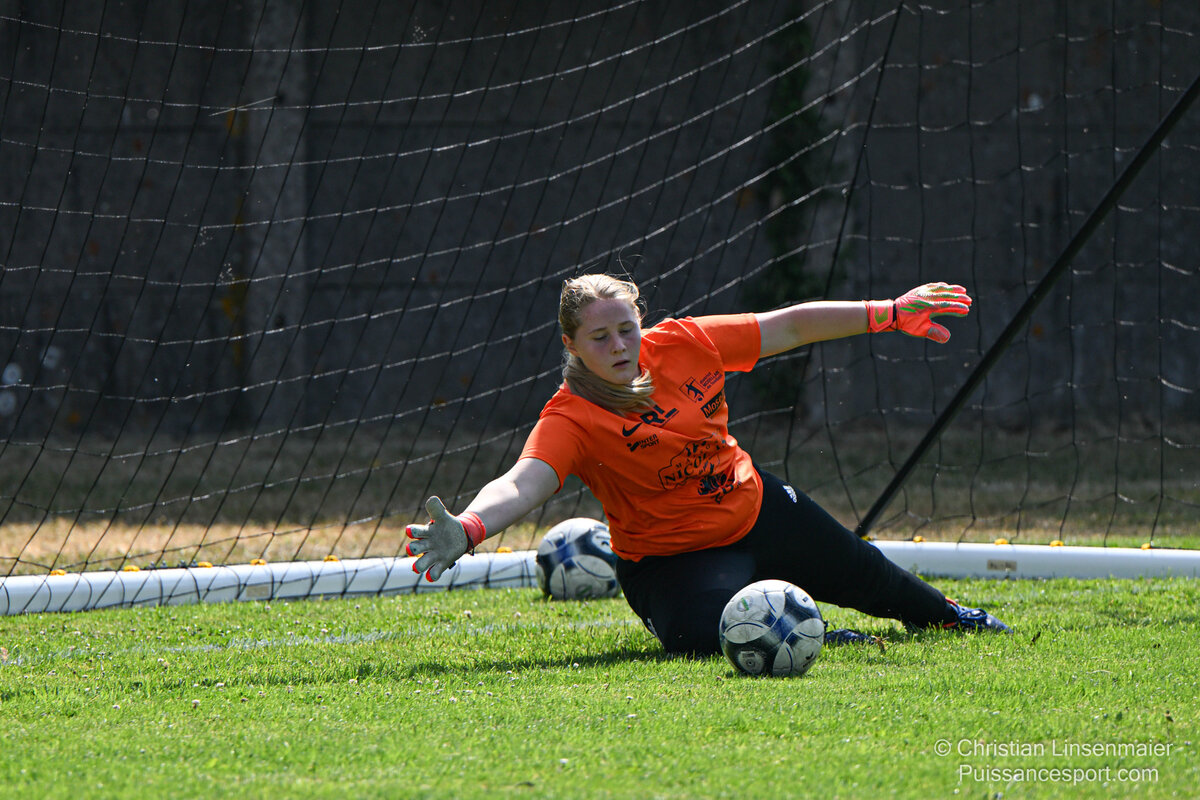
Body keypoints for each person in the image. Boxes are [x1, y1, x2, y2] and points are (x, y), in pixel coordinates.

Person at [406, 275, 1010, 655]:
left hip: (758, 510)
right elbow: (524, 481)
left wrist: (887, 311)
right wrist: (471, 527)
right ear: (571, 345)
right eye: (600, 338)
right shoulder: (572, 416)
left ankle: (951, 616)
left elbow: (790, 325)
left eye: (626, 329)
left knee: (885, 586)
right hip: (670, 562)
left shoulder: (686, 342)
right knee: (701, 639)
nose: (619, 346)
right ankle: (825, 635)